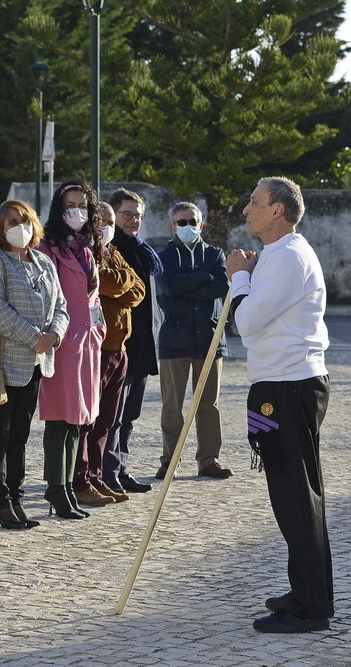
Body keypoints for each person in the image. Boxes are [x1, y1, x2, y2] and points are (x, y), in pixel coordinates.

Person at [226, 176, 333, 634]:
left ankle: (311, 605)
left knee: (296, 497)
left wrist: (239, 278)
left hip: (290, 388)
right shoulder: (276, 255)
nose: (246, 209)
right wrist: (249, 275)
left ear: (278, 211)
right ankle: (303, 591)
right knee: (288, 495)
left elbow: (247, 322)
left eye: (255, 202)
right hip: (275, 386)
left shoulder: (288, 256)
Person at [0, 199, 68, 529]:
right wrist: (33, 336)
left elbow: (62, 307)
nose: (18, 226)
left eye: (23, 219)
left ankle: (16, 495)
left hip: (35, 363)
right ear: (1, 228)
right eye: (10, 221)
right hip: (0, 363)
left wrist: (54, 334)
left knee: (21, 435)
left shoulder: (44, 262)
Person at [36, 181, 106, 519]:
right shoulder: (47, 247)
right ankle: (56, 486)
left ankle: (68, 484)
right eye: (70, 204)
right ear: (58, 208)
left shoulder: (88, 248)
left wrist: (100, 328)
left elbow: (93, 297)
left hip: (88, 341)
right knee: (60, 417)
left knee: (79, 418)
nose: (76, 211)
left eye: (83, 204)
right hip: (62, 341)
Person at [73, 202, 144, 506]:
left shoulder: (114, 252)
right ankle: (80, 479)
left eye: (111, 221)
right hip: (96, 348)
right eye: (102, 221)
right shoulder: (86, 252)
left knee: (107, 421)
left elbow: (138, 289)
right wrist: (117, 283)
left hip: (120, 348)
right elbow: (106, 280)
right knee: (88, 420)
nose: (107, 226)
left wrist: (116, 283)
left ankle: (97, 476)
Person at [156, 202, 232, 480]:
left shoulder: (215, 253)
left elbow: (221, 285)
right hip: (174, 340)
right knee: (172, 408)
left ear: (202, 225)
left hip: (210, 339)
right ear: (173, 226)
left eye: (193, 221)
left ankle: (209, 459)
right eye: (182, 222)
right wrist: (203, 278)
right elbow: (169, 287)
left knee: (208, 405)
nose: (188, 226)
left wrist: (190, 285)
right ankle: (170, 460)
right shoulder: (164, 256)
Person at [104, 188, 160, 495]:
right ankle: (107, 471)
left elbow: (142, 294)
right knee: (112, 414)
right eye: (127, 215)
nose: (133, 221)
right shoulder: (112, 249)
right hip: (119, 344)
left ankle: (121, 467)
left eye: (138, 215)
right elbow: (125, 292)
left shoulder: (143, 250)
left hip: (141, 346)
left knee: (130, 415)